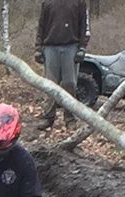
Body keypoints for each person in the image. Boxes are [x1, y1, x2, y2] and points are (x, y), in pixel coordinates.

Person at [35, 0, 91, 129]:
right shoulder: (47, 2)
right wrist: (38, 48)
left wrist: (82, 47)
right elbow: (41, 25)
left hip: (71, 46)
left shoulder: (80, 2)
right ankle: (48, 117)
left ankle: (70, 118)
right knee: (50, 85)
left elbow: (84, 25)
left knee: (70, 84)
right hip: (50, 46)